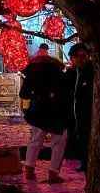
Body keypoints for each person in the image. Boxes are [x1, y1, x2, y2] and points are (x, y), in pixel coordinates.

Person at [20, 43, 68, 183]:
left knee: (35, 141)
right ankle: (53, 173)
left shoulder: (33, 73)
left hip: (39, 111)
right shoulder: (60, 73)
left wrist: (36, 95)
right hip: (58, 112)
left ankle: (29, 169)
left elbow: (23, 94)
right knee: (58, 143)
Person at [63, 43, 94, 173]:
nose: (81, 59)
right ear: (72, 58)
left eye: (84, 56)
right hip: (73, 114)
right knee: (79, 138)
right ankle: (83, 162)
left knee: (87, 138)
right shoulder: (70, 74)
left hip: (87, 113)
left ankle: (87, 163)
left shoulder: (91, 72)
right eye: (78, 57)